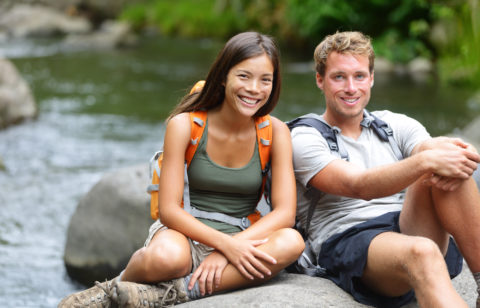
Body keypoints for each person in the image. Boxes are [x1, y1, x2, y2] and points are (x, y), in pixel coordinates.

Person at [59, 31, 304, 307]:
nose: (254, 89)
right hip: (184, 234)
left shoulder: (277, 132)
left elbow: (285, 213)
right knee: (166, 258)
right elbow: (169, 210)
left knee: (291, 243)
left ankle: (176, 293)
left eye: (265, 80)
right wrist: (225, 246)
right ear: (223, 77)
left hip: (245, 236)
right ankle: (111, 289)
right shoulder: (185, 125)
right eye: (244, 76)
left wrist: (231, 249)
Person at [290, 31, 480, 308]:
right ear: (320, 80)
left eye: (359, 76)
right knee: (422, 250)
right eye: (339, 77)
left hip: (405, 223)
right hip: (351, 238)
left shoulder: (393, 124)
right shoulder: (304, 138)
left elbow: (431, 150)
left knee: (448, 166)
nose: (351, 88)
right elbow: (358, 186)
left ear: (372, 78)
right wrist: (426, 161)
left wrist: (458, 153)